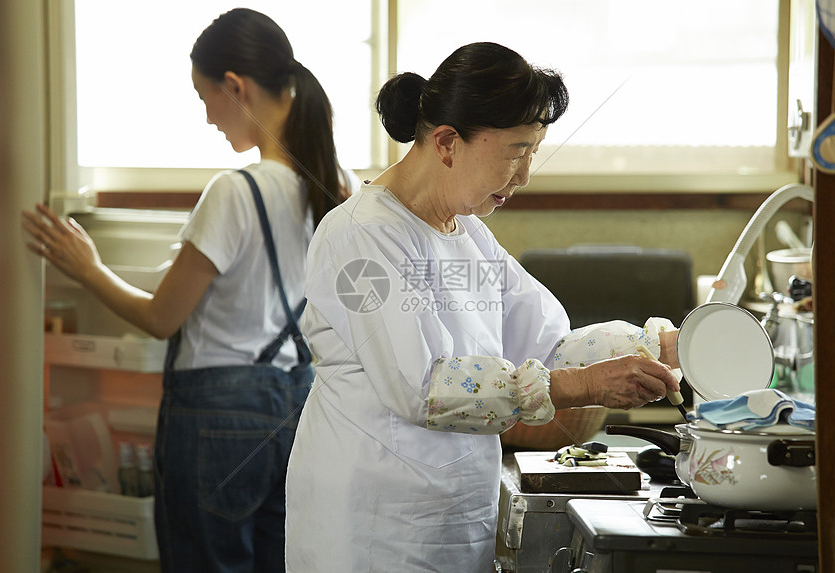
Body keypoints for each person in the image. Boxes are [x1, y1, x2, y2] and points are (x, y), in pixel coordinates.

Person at [284, 42, 681, 572]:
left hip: (456, 517)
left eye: (533, 152)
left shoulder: (466, 232)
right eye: (517, 152)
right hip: (373, 526)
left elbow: (546, 344)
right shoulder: (362, 236)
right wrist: (584, 387)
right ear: (447, 142)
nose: (526, 175)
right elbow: (422, 387)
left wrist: (662, 346)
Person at [22, 8, 352, 572]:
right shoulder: (335, 186)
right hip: (299, 403)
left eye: (205, 99)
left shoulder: (236, 191)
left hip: (218, 413)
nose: (208, 119)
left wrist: (88, 268)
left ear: (235, 86)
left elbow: (162, 318)